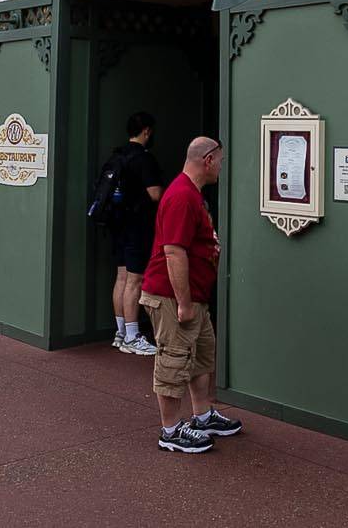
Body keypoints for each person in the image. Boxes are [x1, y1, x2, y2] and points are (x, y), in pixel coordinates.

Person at [141, 136, 240, 455]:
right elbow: (174, 252)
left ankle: (203, 416)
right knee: (173, 360)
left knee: (201, 357)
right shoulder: (182, 196)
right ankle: (170, 430)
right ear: (208, 160)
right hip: (172, 298)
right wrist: (183, 304)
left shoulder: (192, 195)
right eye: (221, 162)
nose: (222, 168)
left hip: (195, 297)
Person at [98, 112, 169, 357]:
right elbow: (155, 194)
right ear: (147, 131)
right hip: (137, 225)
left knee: (121, 277)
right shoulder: (144, 160)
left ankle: (121, 332)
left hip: (117, 223)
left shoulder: (117, 155)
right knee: (135, 280)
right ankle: (132, 335)